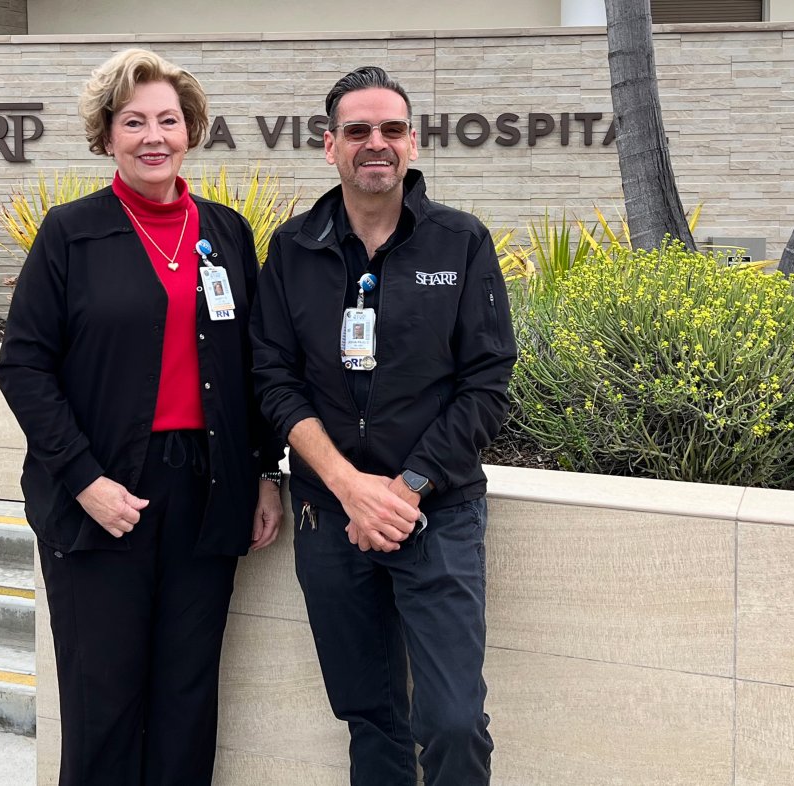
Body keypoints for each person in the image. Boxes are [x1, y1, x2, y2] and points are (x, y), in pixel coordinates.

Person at [0, 48, 284, 786]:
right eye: (134, 122)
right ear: (106, 135)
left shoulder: (227, 231)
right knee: (104, 702)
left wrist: (262, 473)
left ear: (190, 130)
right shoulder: (71, 234)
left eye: (168, 119)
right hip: (102, 496)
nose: (153, 135)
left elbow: (255, 367)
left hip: (207, 492)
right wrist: (85, 479)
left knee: (188, 697)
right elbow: (23, 366)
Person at [250, 66, 516, 786]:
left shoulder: (461, 243)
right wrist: (347, 487)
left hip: (438, 513)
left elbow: (487, 382)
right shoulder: (292, 249)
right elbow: (273, 379)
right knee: (371, 716)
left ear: (414, 142)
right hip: (327, 517)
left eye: (392, 130)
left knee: (453, 721)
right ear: (329, 145)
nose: (377, 144)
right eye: (359, 131)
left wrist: (404, 489)